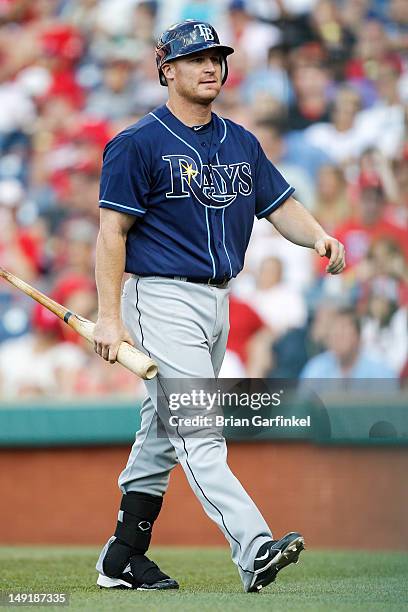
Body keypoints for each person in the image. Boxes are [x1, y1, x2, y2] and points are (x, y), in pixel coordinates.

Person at [93, 19, 346, 594]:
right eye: (195, 58)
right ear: (167, 70)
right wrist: (109, 317)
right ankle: (254, 546)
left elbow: (279, 205)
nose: (211, 67)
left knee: (162, 429)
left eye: (217, 57)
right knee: (200, 432)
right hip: (160, 296)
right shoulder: (138, 141)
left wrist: (319, 236)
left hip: (217, 300)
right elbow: (112, 235)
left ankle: (123, 556)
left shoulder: (240, 140)